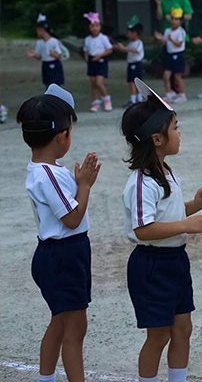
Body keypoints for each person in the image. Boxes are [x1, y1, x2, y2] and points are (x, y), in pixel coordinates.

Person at [121, 80, 202, 382]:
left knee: (183, 329)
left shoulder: (166, 171)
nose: (179, 133)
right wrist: (185, 225)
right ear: (157, 139)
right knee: (158, 335)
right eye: (175, 127)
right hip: (151, 266)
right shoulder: (141, 182)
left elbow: (169, 214)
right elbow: (143, 229)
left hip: (175, 262)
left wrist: (193, 206)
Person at [18, 84, 101, 382]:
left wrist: (78, 182)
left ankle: (46, 379)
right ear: (62, 136)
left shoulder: (45, 169)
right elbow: (72, 219)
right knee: (75, 329)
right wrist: (86, 185)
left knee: (59, 322)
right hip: (64, 256)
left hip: (59, 255)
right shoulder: (48, 174)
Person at [154, 8, 187, 104]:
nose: (174, 21)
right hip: (169, 55)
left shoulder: (181, 31)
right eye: (173, 19)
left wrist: (171, 39)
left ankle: (182, 94)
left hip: (178, 55)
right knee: (166, 76)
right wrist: (160, 38)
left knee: (177, 77)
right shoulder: (167, 30)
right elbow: (165, 42)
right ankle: (169, 93)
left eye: (176, 19)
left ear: (180, 21)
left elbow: (179, 44)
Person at [82, 12, 114, 112]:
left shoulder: (103, 38)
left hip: (101, 61)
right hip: (92, 62)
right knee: (93, 83)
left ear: (100, 26)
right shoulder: (87, 39)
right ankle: (96, 101)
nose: (94, 28)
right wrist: (87, 57)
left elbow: (110, 49)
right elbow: (86, 50)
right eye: (92, 26)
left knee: (99, 82)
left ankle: (106, 99)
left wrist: (100, 55)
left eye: (96, 26)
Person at [115, 16, 146, 106]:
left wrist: (124, 48)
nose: (128, 34)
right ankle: (134, 98)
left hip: (136, 64)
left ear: (135, 33)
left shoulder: (139, 43)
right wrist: (119, 47)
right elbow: (127, 49)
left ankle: (137, 98)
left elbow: (135, 50)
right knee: (131, 82)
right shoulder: (131, 43)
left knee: (135, 82)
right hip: (131, 64)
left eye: (130, 32)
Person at [28, 14, 66, 86]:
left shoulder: (54, 41)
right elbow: (39, 56)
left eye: (37, 30)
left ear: (42, 30)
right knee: (47, 84)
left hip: (54, 64)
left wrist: (52, 54)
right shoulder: (39, 42)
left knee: (56, 85)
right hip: (45, 64)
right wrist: (34, 54)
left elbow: (59, 55)